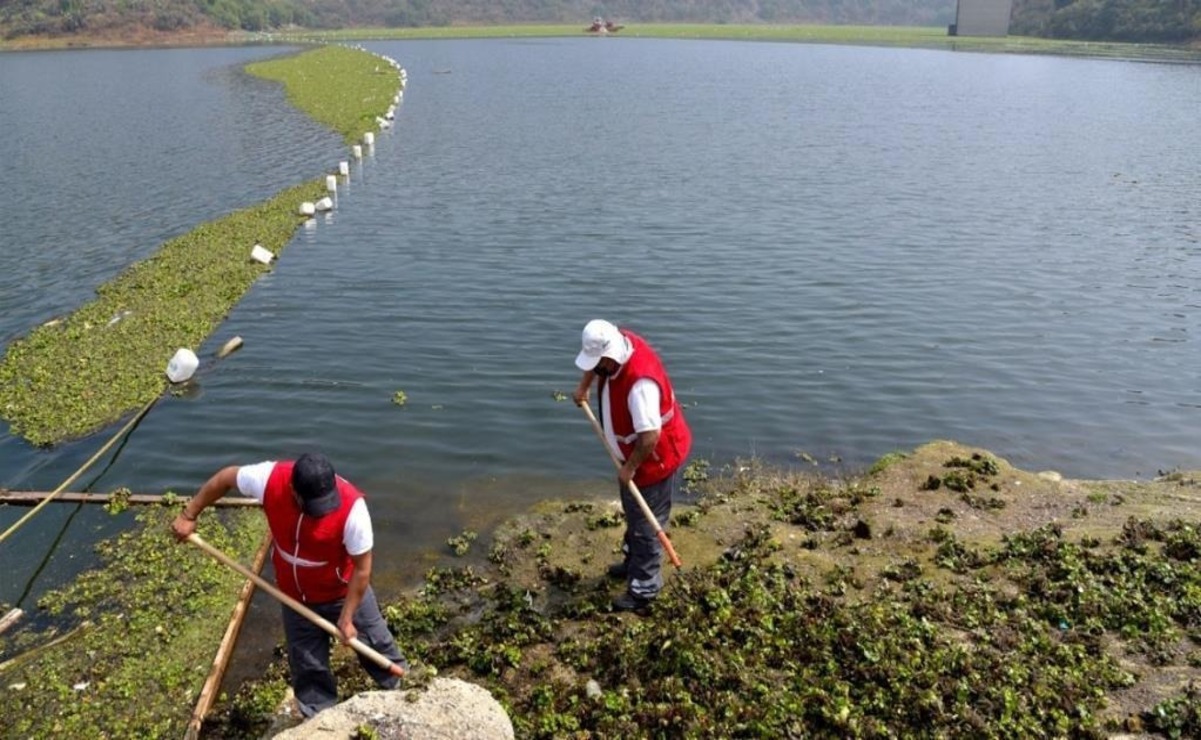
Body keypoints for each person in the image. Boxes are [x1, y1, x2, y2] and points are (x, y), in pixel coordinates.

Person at [171, 452, 407, 718]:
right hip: (295, 597)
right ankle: (318, 718)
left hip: (343, 591)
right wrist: (189, 514)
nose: (322, 512)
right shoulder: (269, 479)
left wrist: (348, 616)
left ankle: (405, 691)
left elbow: (363, 571)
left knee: (375, 643)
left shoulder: (353, 509)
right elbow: (225, 478)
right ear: (294, 491)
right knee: (307, 662)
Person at [572, 319, 692, 614]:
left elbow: (650, 438)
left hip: (654, 462)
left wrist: (630, 468)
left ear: (610, 358)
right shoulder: (617, 343)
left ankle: (644, 590)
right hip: (633, 459)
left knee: (646, 526)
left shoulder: (641, 384)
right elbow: (597, 364)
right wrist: (584, 386)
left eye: (599, 367)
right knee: (633, 512)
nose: (597, 370)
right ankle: (632, 562)